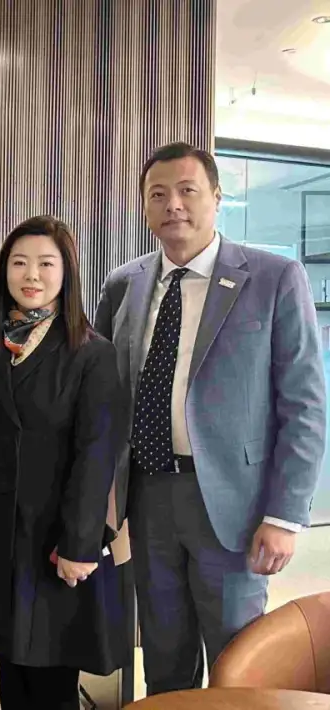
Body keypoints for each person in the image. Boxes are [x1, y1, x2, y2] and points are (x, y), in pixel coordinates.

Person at [94, 141, 326, 694]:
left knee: (236, 657)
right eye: (158, 194)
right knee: (163, 652)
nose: (173, 204)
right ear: (144, 207)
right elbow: (103, 394)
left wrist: (285, 515)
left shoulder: (273, 277)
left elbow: (305, 405)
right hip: (148, 496)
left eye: (187, 190)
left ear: (217, 197)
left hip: (233, 504)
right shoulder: (123, 283)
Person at [0, 215, 130, 709]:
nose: (32, 275)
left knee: (51, 668)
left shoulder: (92, 354)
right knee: (10, 662)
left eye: (46, 263)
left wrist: (80, 543)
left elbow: (97, 454)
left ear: (67, 273)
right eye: (19, 263)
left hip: (54, 537)